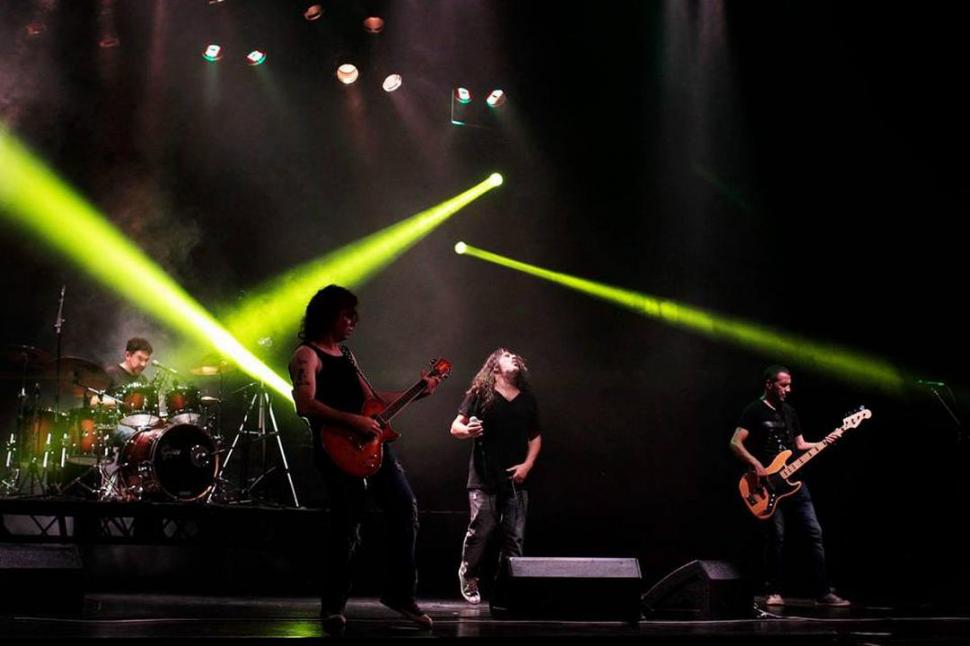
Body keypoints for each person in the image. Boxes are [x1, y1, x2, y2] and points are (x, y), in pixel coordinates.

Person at [289, 285, 440, 633]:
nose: (353, 321)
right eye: (347, 315)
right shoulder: (307, 356)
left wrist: (419, 391)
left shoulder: (347, 355)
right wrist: (353, 421)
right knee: (347, 525)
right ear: (329, 315)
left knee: (404, 508)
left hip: (373, 447)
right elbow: (305, 404)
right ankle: (333, 605)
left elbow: (373, 401)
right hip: (336, 448)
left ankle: (400, 593)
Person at [729, 364, 850, 607]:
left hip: (795, 483)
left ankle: (823, 593)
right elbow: (735, 442)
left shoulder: (789, 412)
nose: (788, 389)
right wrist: (756, 464)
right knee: (777, 537)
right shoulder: (754, 410)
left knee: (814, 533)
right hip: (766, 485)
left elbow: (800, 445)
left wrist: (825, 442)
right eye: (783, 385)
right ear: (769, 384)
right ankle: (772, 590)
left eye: (790, 385)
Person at [450, 348, 541, 605]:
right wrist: (468, 431)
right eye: (507, 355)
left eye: (515, 356)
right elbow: (455, 426)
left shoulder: (527, 399)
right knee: (481, 530)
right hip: (484, 475)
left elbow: (535, 437)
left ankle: (509, 589)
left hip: (516, 478)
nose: (514, 357)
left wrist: (527, 465)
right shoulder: (480, 393)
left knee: (514, 537)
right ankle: (468, 574)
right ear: (495, 367)